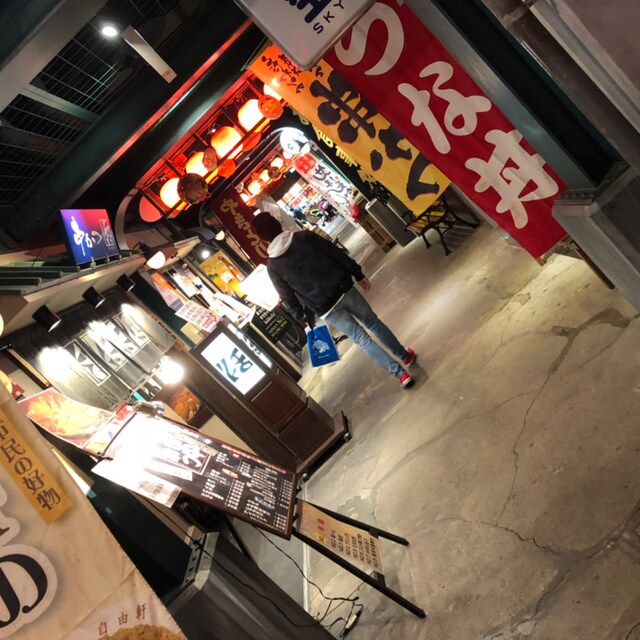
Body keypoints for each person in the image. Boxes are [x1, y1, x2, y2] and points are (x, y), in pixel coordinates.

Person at [253, 212, 416, 388]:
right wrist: (357, 273)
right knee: (373, 323)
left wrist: (300, 315)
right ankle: (405, 356)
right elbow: (335, 253)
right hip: (343, 287)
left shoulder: (273, 267)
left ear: (263, 239)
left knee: (361, 339)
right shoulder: (304, 236)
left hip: (325, 307)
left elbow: (287, 296)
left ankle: (400, 375)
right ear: (277, 223)